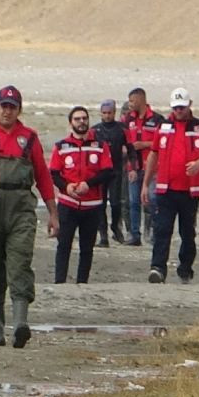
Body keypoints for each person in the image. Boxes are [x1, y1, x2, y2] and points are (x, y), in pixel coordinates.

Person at [0, 86, 57, 348]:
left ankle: (21, 323)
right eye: (3, 105)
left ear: (19, 110)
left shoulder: (30, 138)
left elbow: (44, 177)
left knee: (20, 263)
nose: (7, 110)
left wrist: (53, 213)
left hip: (21, 208)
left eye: (12, 106)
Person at [143, 88, 199, 284]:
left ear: (189, 104)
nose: (179, 111)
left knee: (187, 233)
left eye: (182, 107)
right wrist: (145, 183)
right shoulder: (163, 126)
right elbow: (153, 154)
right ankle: (157, 268)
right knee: (162, 229)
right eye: (176, 107)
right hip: (166, 189)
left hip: (190, 191)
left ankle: (185, 268)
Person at [50, 106, 114, 284]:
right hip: (68, 204)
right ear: (71, 122)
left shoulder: (100, 146)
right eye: (77, 119)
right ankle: (60, 281)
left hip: (92, 205)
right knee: (63, 245)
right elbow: (54, 173)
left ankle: (82, 282)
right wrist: (67, 187)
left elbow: (108, 172)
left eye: (84, 118)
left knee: (87, 248)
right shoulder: (61, 146)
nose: (81, 122)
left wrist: (89, 184)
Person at [123, 88, 163, 246]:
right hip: (133, 166)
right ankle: (134, 235)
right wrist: (131, 167)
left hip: (152, 167)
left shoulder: (158, 119)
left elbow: (164, 143)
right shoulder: (128, 120)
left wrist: (145, 144)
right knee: (133, 201)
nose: (130, 104)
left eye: (132, 101)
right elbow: (126, 143)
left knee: (152, 199)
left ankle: (153, 230)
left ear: (140, 100)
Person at [91, 98, 128, 246]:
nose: (107, 116)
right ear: (101, 113)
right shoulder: (95, 130)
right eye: (104, 113)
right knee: (100, 204)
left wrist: (132, 165)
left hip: (116, 170)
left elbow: (130, 147)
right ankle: (103, 235)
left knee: (115, 203)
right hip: (100, 172)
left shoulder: (122, 128)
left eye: (110, 113)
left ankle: (115, 227)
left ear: (114, 113)